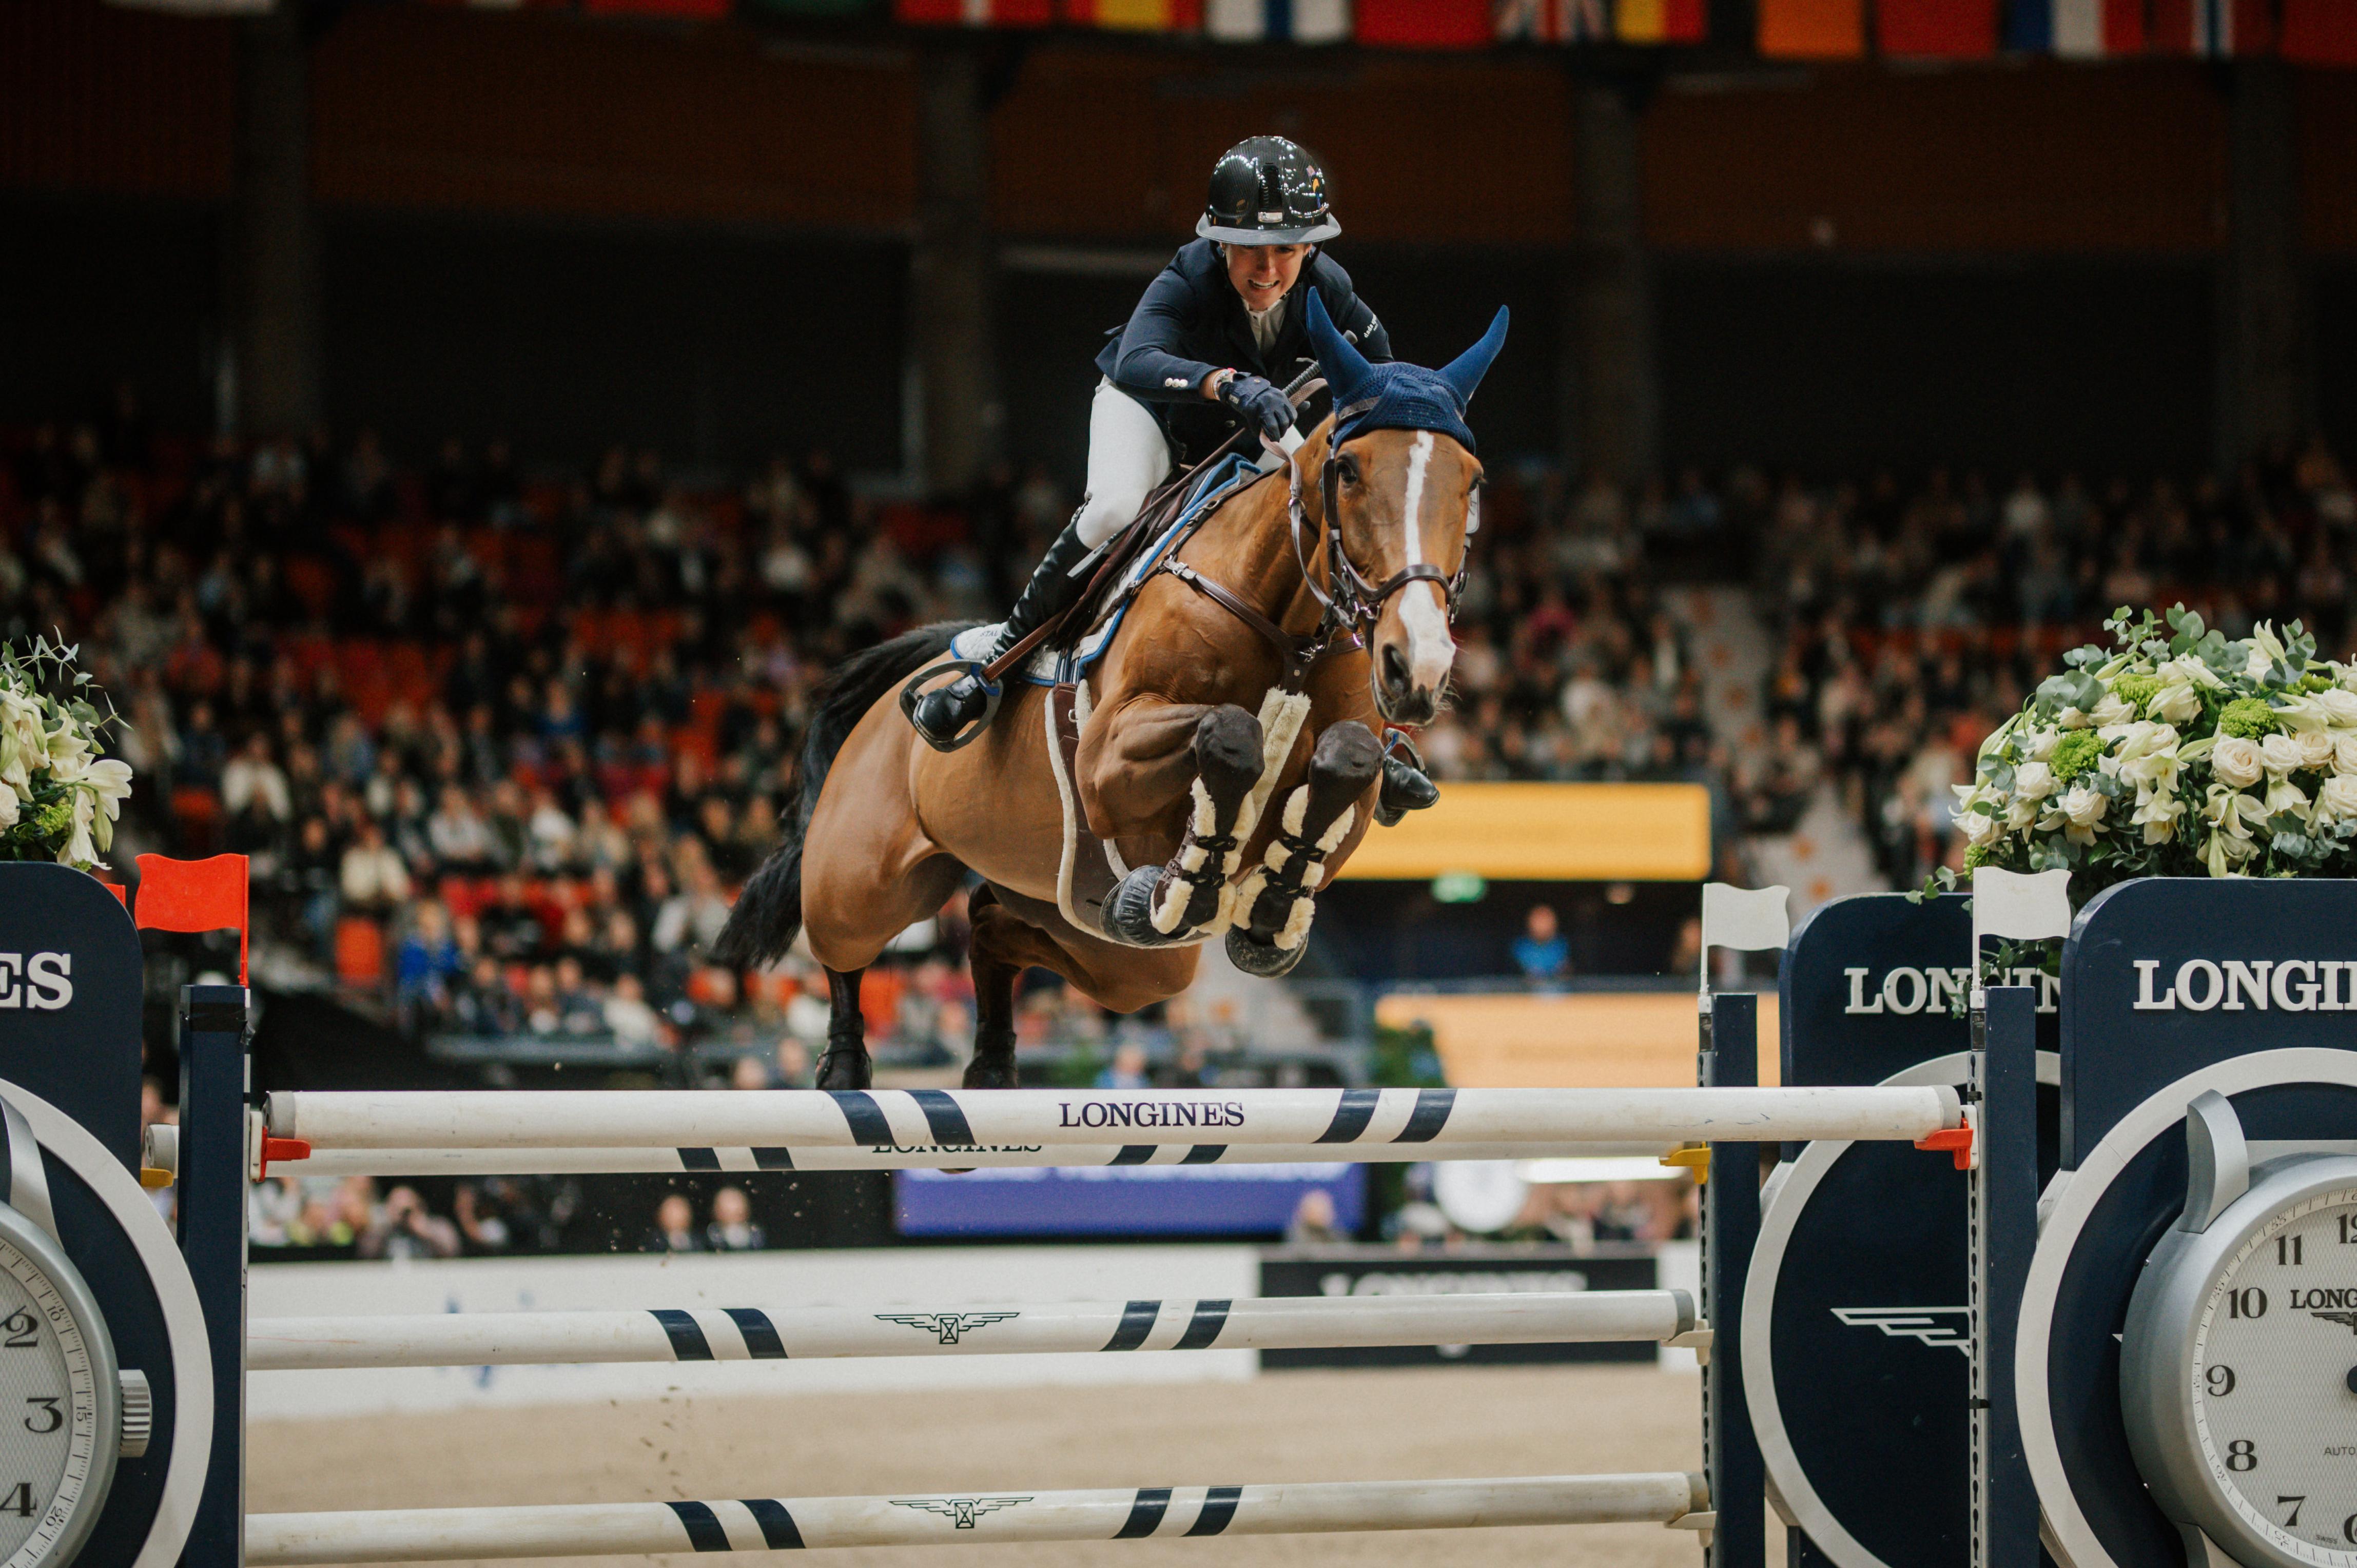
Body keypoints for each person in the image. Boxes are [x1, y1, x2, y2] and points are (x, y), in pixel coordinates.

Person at [907, 136, 1439, 820]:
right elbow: (1135, 358)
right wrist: (1224, 384)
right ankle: (996, 665)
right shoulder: (1189, 275)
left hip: (1247, 436)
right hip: (1152, 415)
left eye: (1287, 250)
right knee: (1114, 508)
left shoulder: (1328, 288)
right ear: (1219, 242)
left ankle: (1380, 731)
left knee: (1326, 530)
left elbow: (1379, 382)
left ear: (1310, 248)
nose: (1268, 267)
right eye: (1249, 247)